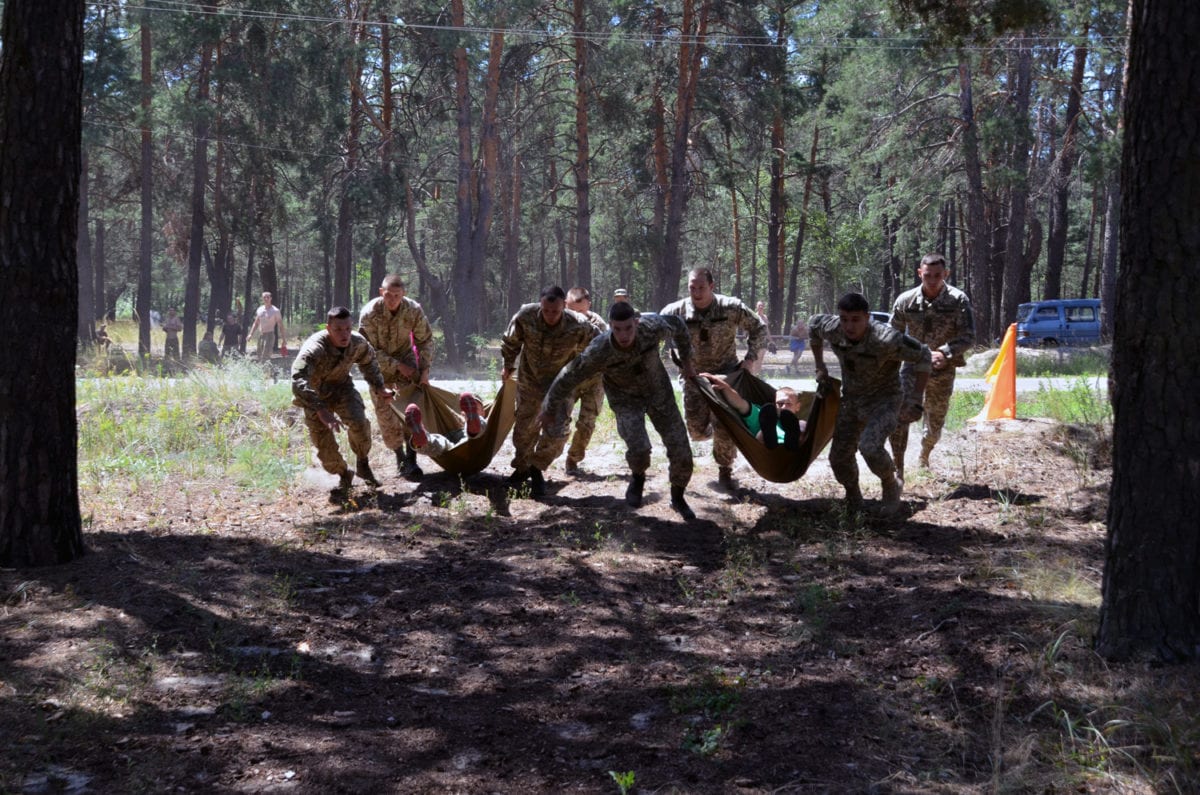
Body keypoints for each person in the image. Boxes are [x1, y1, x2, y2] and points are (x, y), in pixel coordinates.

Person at [540, 302, 699, 520]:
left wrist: (686, 363)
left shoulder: (651, 326)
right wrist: (548, 408)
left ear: (636, 322)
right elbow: (568, 376)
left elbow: (679, 325)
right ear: (611, 326)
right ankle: (638, 477)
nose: (623, 335)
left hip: (658, 393)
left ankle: (678, 496)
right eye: (617, 329)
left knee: (681, 449)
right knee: (639, 447)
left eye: (628, 328)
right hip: (625, 400)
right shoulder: (600, 349)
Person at [809, 292, 931, 516]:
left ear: (867, 317)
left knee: (870, 447)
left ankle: (890, 484)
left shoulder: (886, 338)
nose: (849, 326)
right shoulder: (832, 327)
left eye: (856, 319)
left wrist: (915, 398)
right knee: (838, 457)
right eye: (845, 319)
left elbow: (924, 355)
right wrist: (820, 366)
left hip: (885, 400)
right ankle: (853, 496)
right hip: (852, 400)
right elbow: (813, 327)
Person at [660, 267, 768, 490]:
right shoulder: (675, 311)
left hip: (726, 376)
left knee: (725, 425)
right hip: (694, 378)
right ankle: (712, 434)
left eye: (701, 287)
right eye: (692, 287)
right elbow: (653, 333)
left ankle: (725, 470)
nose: (696, 292)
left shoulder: (730, 307)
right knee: (696, 432)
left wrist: (750, 360)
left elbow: (759, 328)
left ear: (711, 286)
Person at [500, 286, 598, 496]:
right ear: (540, 305)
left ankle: (537, 469)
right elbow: (511, 341)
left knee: (558, 432)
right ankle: (522, 467)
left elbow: (597, 346)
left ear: (564, 306)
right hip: (530, 383)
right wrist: (508, 364)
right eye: (546, 310)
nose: (550, 316)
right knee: (525, 430)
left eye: (555, 311)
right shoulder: (526, 316)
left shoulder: (578, 324)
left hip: (560, 387)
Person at [291, 306, 394, 503]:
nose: (344, 334)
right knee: (328, 457)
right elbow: (297, 380)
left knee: (360, 423)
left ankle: (363, 464)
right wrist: (321, 410)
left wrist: (380, 387)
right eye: (338, 329)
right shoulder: (314, 348)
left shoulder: (357, 342)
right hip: (315, 397)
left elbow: (369, 363)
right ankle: (344, 474)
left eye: (347, 328)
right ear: (328, 328)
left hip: (342, 389)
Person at [888, 253, 976, 479]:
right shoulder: (905, 300)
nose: (933, 279)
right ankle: (898, 467)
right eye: (928, 275)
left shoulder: (958, 300)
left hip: (942, 370)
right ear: (920, 273)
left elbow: (969, 336)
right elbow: (891, 336)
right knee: (901, 414)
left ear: (945, 274)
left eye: (938, 275)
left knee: (934, 423)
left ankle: (925, 453)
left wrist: (944, 353)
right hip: (911, 367)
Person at [358, 274, 436, 481]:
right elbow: (367, 351)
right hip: (378, 371)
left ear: (404, 294)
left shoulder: (413, 310)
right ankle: (399, 458)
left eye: (397, 295)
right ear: (381, 292)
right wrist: (396, 366)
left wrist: (425, 369)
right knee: (386, 415)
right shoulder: (369, 314)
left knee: (411, 413)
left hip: (407, 364)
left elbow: (425, 339)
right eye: (388, 294)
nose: (392, 299)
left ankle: (411, 459)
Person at [562, 287, 609, 475]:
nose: (576, 315)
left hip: (594, 380)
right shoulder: (560, 321)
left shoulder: (599, 324)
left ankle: (573, 459)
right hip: (568, 379)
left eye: (580, 311)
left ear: (588, 305)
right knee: (559, 421)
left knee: (587, 423)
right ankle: (547, 454)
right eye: (572, 310)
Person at [699, 374, 806, 450]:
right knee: (765, 427)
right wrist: (726, 387)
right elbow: (739, 403)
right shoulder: (763, 414)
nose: (783, 407)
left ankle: (792, 438)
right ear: (774, 404)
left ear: (798, 407)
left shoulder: (799, 423)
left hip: (793, 454)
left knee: (802, 425)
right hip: (765, 452)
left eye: (788, 404)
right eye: (779, 403)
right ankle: (769, 431)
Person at [402, 392, 488, 457]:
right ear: (463, 413)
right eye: (468, 410)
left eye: (475, 408)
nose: (473, 410)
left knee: (481, 429)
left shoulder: (489, 422)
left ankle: (474, 428)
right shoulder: (457, 421)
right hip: (453, 446)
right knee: (441, 441)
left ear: (484, 412)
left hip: (474, 442)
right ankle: (421, 438)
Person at [248, 291, 285, 361]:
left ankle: (267, 371)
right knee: (259, 355)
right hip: (261, 335)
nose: (266, 299)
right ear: (262, 299)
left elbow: (281, 325)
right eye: (264, 297)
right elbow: (256, 323)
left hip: (270, 335)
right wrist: (250, 334)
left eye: (268, 297)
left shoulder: (275, 311)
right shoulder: (260, 309)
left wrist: (283, 339)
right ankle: (262, 371)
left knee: (266, 356)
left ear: (271, 298)